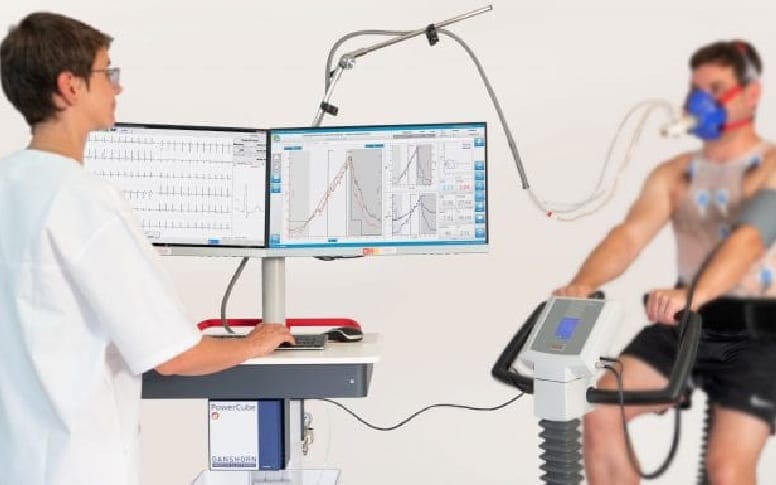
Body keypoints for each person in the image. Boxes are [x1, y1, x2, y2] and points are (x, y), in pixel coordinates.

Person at [0, 12, 294, 485]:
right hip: (80, 467)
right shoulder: (85, 201)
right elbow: (174, 356)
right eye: (107, 73)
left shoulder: (9, 183)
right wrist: (253, 343)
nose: (118, 87)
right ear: (70, 87)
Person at [554, 39, 776, 485]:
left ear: (751, 94)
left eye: (716, 89)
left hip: (760, 334)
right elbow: (629, 236)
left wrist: (692, 294)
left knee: (725, 469)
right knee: (601, 412)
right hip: (688, 323)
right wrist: (582, 284)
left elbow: (750, 240)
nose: (700, 101)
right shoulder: (675, 174)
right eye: (696, 89)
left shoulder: (771, 165)